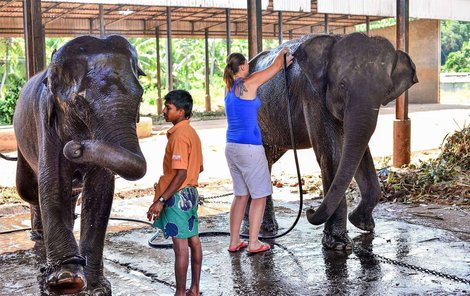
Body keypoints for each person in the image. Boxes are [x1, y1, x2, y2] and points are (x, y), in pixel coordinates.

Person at [223, 48, 293, 254]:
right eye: (247, 65)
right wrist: (283, 53)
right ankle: (254, 242)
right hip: (250, 148)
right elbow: (274, 67)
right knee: (260, 195)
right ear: (243, 66)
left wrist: (280, 65)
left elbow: (275, 69)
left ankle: (234, 241)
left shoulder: (229, 89)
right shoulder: (249, 83)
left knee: (241, 195)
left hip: (232, 147)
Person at [147, 90, 203, 296]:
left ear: (180, 111)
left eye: (168, 107)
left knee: (180, 248)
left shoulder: (179, 136)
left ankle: (180, 292)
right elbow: (199, 168)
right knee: (193, 241)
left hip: (177, 197)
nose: (163, 111)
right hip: (191, 194)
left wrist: (161, 200)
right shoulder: (191, 133)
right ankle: (194, 288)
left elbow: (180, 174)